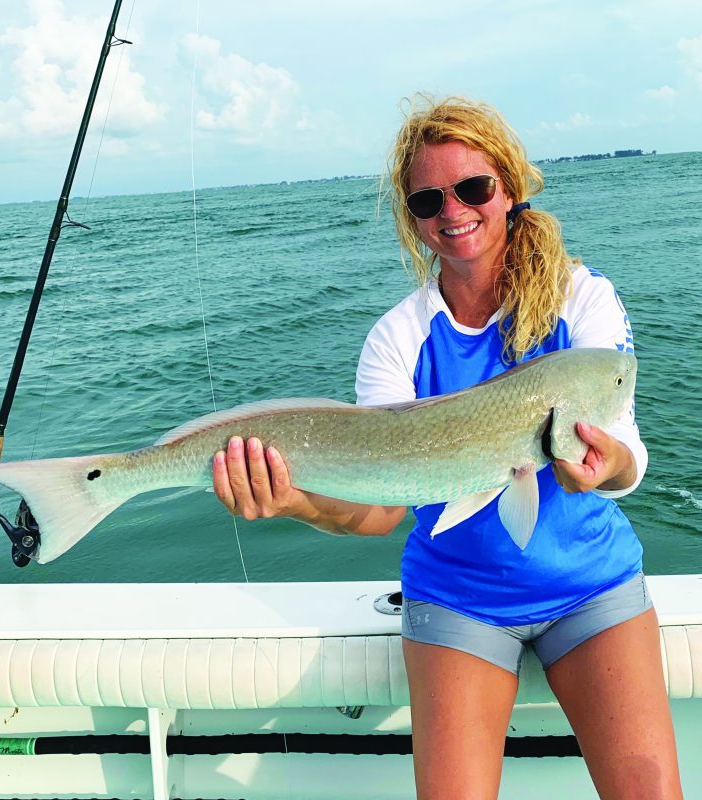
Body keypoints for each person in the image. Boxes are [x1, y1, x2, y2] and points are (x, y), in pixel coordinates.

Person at [212, 96, 683, 800]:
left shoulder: (582, 299)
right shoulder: (397, 340)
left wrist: (605, 463)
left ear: (509, 188)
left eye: (472, 188)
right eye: (428, 199)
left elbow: (627, 452)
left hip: (590, 587)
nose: (452, 210)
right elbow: (379, 513)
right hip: (458, 602)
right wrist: (297, 500)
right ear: (412, 218)